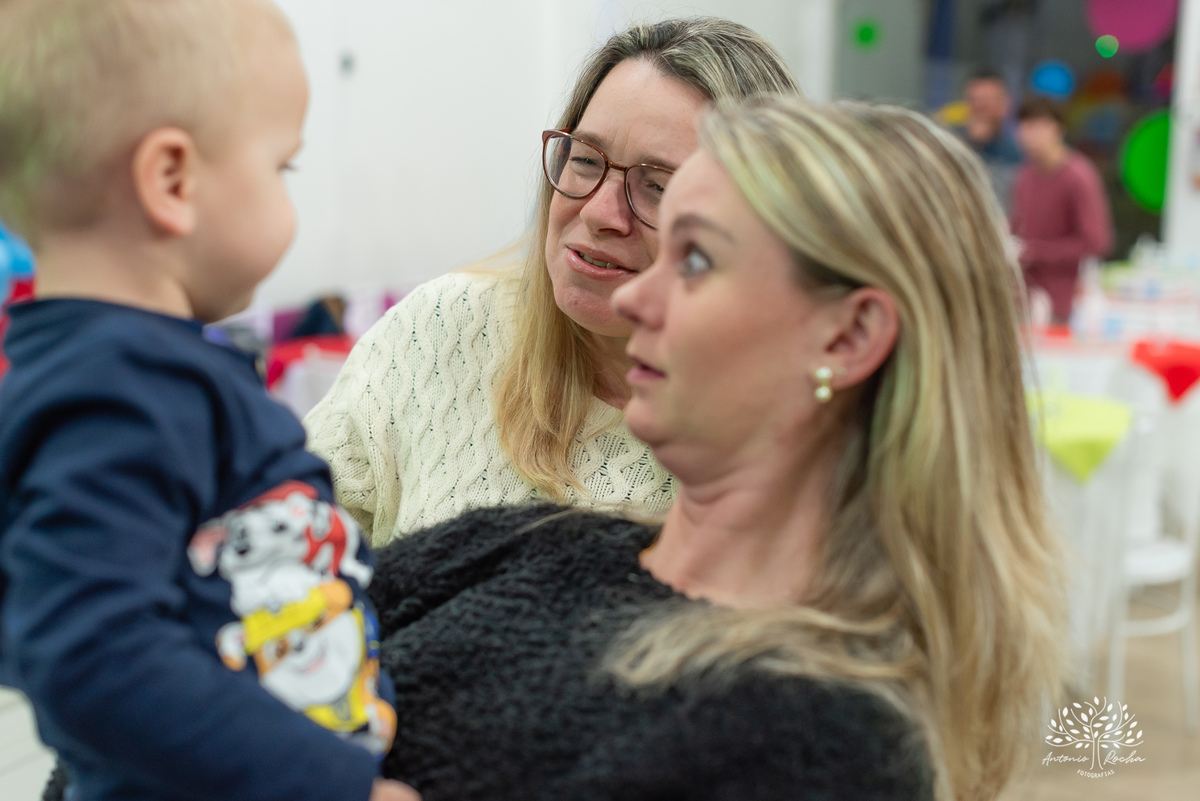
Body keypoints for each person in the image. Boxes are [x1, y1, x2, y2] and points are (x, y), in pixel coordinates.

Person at [362, 96, 1068, 800]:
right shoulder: (529, 541)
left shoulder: (825, 743)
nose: (638, 298)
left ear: (848, 337)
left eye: (695, 259)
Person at [0, 2, 417, 800]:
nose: (287, 191)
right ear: (173, 180)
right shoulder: (116, 391)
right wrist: (330, 786)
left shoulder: (113, 368)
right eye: (280, 167)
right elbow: (88, 652)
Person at [304, 18, 799, 546]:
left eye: (657, 187)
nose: (599, 211)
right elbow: (276, 546)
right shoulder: (438, 330)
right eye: (586, 160)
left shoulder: (792, 442)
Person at [1011, 96, 1113, 324]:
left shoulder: (1079, 176)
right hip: (1026, 299)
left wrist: (1035, 251)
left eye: (1036, 126)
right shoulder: (1025, 174)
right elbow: (1020, 224)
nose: (1029, 135)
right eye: (1024, 127)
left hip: (1066, 302)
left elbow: (1096, 242)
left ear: (1057, 129)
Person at [952, 68, 1023, 212]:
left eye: (988, 101)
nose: (981, 108)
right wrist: (970, 144)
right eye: (976, 101)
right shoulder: (953, 147)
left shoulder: (1021, 151)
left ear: (1005, 104)